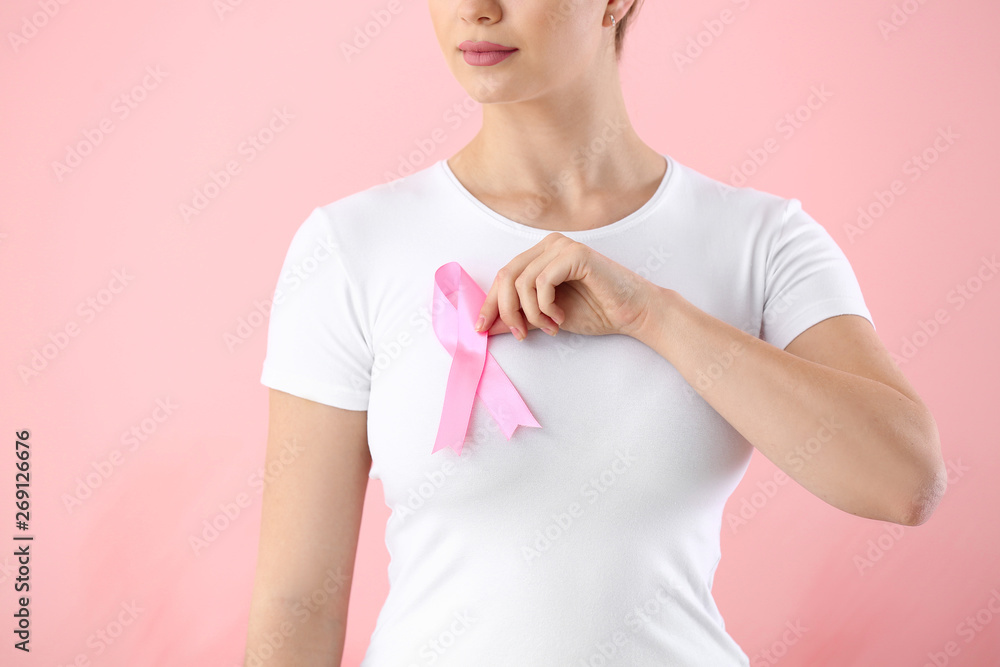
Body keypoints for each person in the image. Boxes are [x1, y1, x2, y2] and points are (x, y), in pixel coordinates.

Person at [244, 1, 947, 665]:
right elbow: (297, 601)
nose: (477, 7)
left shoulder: (759, 240)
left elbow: (904, 479)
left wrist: (653, 314)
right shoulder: (351, 245)